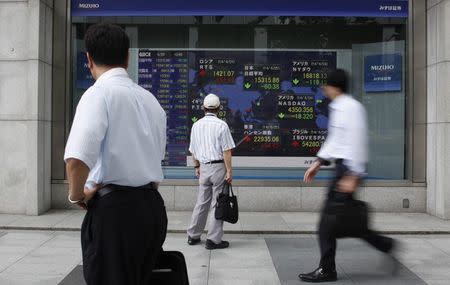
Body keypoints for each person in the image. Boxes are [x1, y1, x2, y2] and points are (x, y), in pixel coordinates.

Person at [64, 23, 167, 285]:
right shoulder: (150, 100)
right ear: (127, 57)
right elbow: (158, 155)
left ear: (88, 59)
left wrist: (77, 196)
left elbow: (76, 160)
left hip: (114, 215)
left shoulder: (98, 94)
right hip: (152, 208)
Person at [299, 69, 396, 283]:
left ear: (335, 87)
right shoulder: (339, 107)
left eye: (327, 85)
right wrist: (318, 162)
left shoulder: (351, 108)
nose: (324, 89)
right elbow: (336, 139)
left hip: (347, 171)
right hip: (342, 169)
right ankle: (386, 245)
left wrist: (353, 174)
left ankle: (327, 270)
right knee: (349, 221)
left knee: (326, 223)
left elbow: (357, 141)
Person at [187, 94, 235, 250]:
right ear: (219, 109)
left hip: (203, 168)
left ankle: (193, 235)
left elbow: (193, 151)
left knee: (201, 202)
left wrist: (197, 167)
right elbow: (226, 151)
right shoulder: (222, 125)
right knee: (218, 203)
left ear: (203, 108)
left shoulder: (196, 125)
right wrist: (229, 171)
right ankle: (213, 240)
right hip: (218, 167)